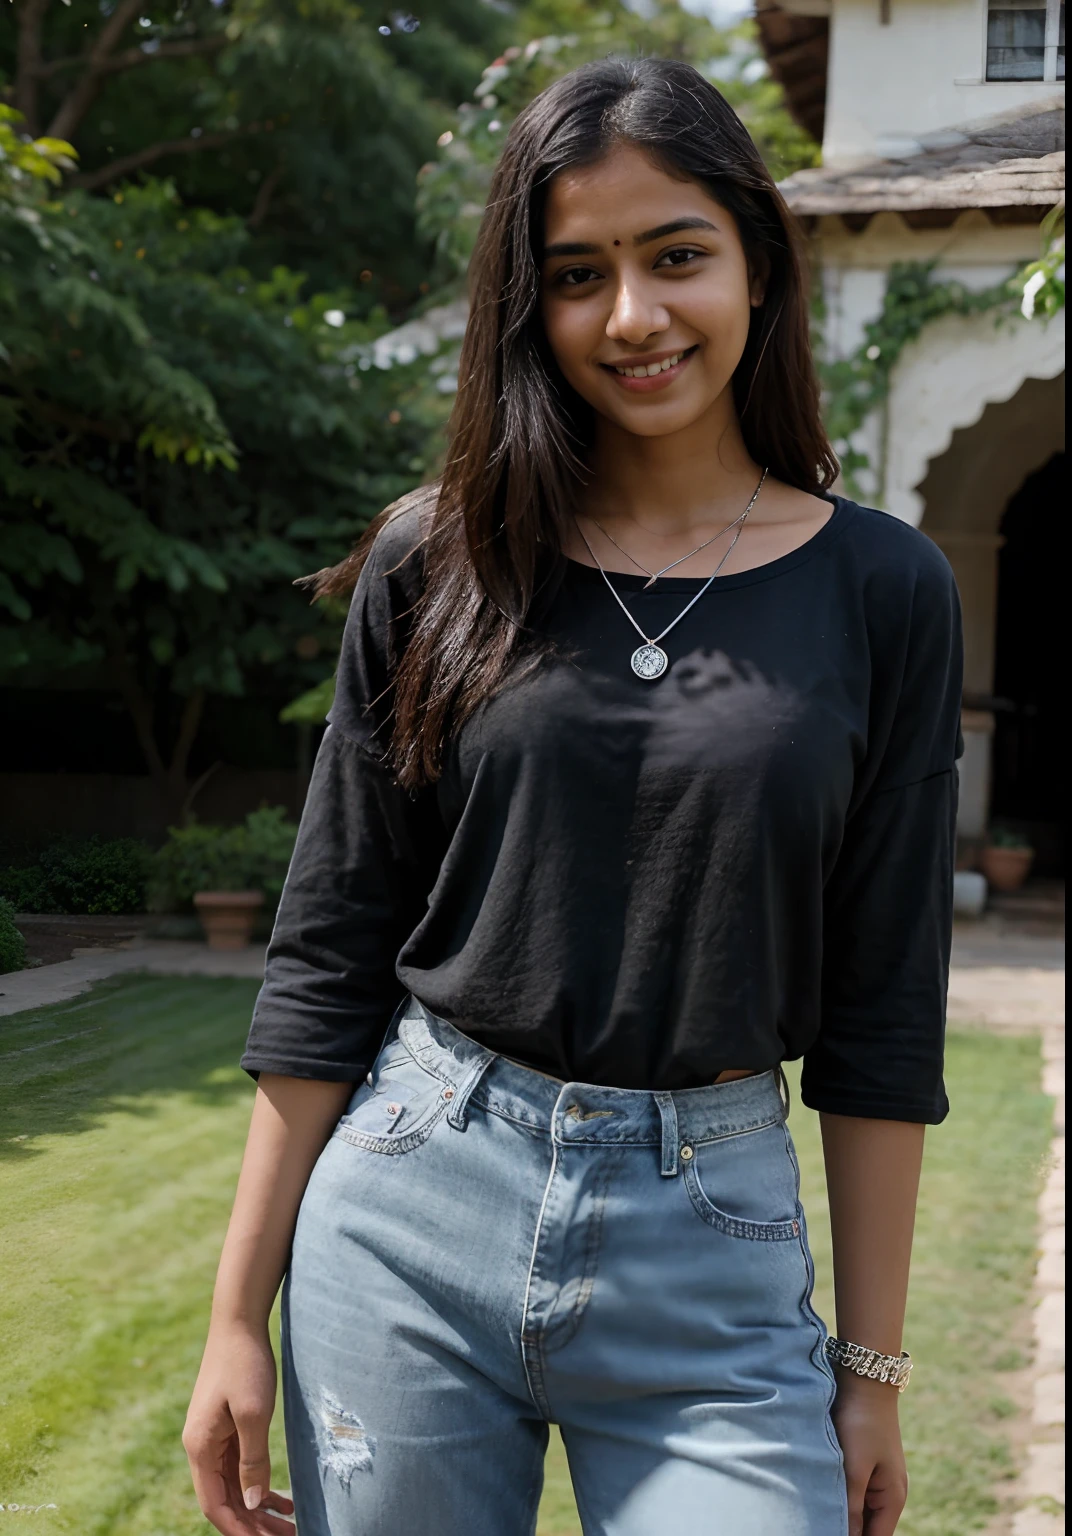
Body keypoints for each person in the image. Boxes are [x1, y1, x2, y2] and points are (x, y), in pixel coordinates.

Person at [183, 54, 963, 1536]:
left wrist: (870, 1370)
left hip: (716, 1236)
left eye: (677, 256)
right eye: (575, 273)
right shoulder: (439, 562)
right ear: (524, 307)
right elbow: (330, 947)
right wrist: (236, 1316)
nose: (633, 317)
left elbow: (883, 1011)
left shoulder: (887, 590)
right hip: (412, 1202)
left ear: (756, 262)